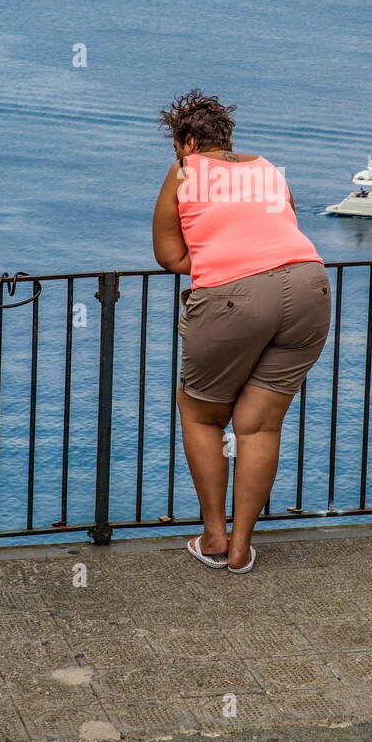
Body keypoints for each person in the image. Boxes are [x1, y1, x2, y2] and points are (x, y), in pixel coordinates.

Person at [152, 89, 331, 574]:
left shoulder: (184, 169)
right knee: (259, 424)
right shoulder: (269, 168)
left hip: (236, 294)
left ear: (187, 141)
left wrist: (220, 264)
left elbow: (169, 257)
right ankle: (241, 549)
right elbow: (282, 226)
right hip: (310, 283)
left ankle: (213, 537)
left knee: (201, 413)